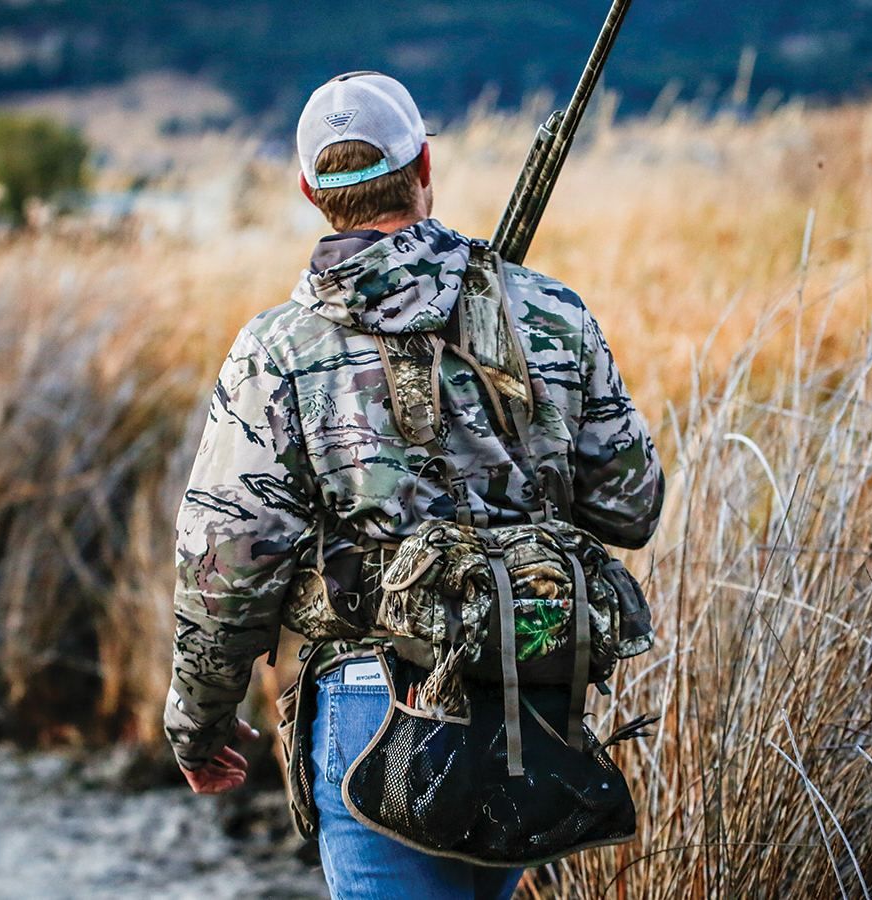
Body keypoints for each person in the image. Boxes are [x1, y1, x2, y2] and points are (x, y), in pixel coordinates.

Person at [163, 71, 665, 899]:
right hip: (530, 704)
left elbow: (228, 562)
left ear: (310, 191)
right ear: (424, 164)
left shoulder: (277, 350)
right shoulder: (551, 312)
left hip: (375, 706)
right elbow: (632, 506)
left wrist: (198, 721)